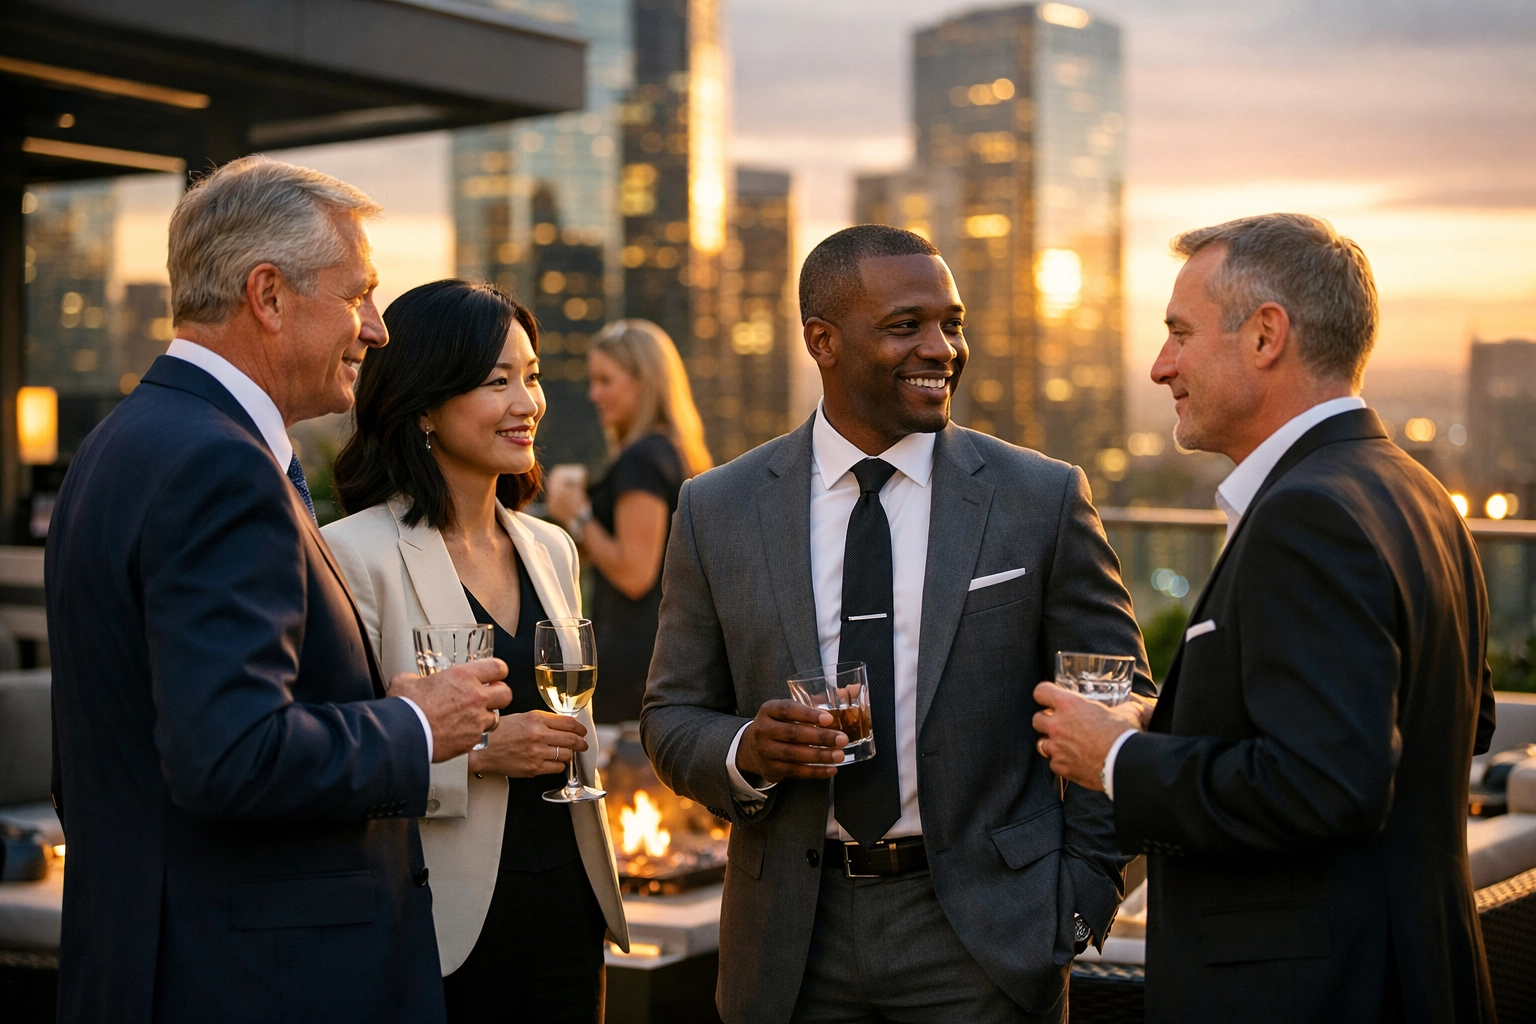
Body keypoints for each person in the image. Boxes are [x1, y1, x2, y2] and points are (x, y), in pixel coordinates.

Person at [640, 225, 1152, 1024]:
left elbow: (1120, 700)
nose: (942, 347)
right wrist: (748, 750)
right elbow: (670, 716)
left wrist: (1080, 900)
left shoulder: (1039, 498)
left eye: (952, 323)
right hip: (789, 945)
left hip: (985, 938)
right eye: (906, 325)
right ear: (824, 340)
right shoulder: (719, 508)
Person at [44, 157, 509, 1023]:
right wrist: (414, 723)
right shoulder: (221, 464)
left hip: (154, 959)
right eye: (358, 295)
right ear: (268, 295)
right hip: (253, 981)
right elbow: (229, 756)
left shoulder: (125, 443)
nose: (376, 330)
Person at [1033, 213, 1497, 1023]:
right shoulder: (1415, 493)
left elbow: (1328, 786)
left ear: (1265, 336)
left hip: (1315, 995)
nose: (1159, 365)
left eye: (1180, 332)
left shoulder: (1306, 515)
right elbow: (1459, 720)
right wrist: (1180, 724)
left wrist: (1119, 758)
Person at [325, 280, 629, 1022]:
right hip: (438, 920)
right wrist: (485, 754)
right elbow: (337, 760)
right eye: (498, 382)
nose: (528, 403)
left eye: (532, 377)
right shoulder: (350, 555)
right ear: (424, 404)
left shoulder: (552, 547)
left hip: (569, 901)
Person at [545, 318, 711, 723]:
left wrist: (578, 515)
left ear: (642, 382)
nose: (593, 393)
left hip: (634, 659)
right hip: (666, 654)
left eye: (605, 380)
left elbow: (635, 573)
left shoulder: (641, 461)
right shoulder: (673, 453)